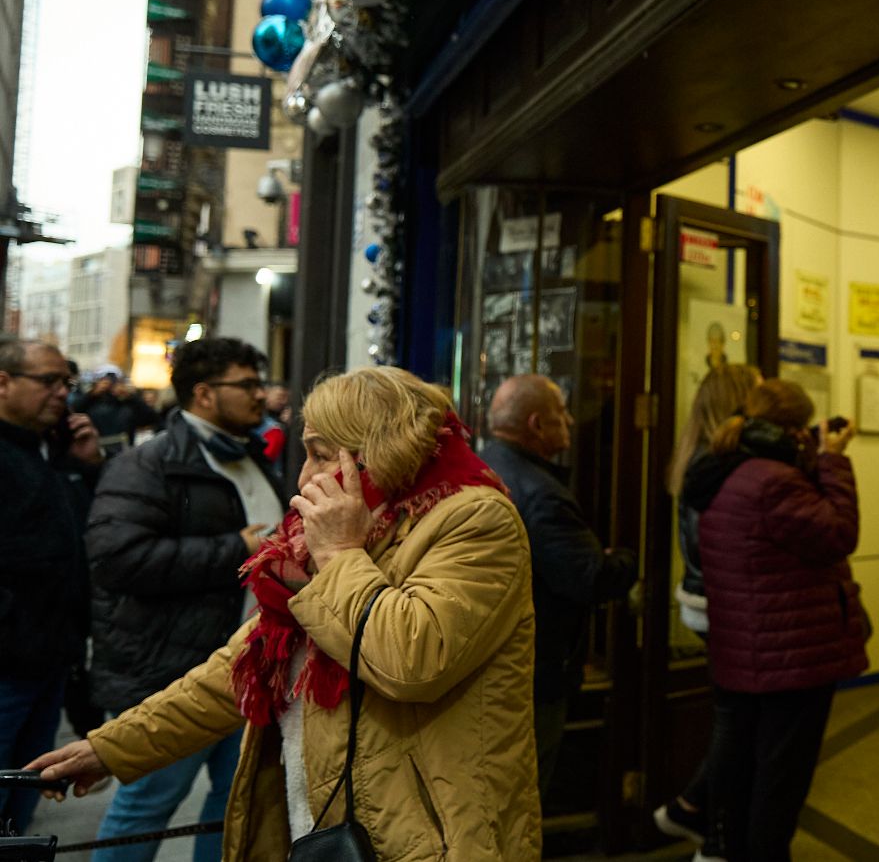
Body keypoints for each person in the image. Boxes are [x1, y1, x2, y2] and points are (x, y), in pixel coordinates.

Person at [29, 365, 542, 859]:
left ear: (377, 456)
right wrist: (111, 750)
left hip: (429, 839)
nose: (303, 477)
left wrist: (341, 556)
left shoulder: (475, 518)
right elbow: (240, 668)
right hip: (326, 826)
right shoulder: (351, 530)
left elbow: (410, 660)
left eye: (321, 456)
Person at [84, 338, 283, 862]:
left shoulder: (253, 458)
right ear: (204, 393)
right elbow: (117, 559)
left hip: (247, 667)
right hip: (170, 671)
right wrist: (233, 549)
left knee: (233, 805)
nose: (260, 396)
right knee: (146, 808)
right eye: (246, 385)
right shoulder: (149, 464)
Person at [684, 379, 868, 860]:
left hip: (749, 649)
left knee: (749, 773)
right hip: (791, 658)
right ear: (791, 428)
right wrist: (833, 460)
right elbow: (838, 533)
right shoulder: (773, 481)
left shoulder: (728, 470)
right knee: (779, 782)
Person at [481, 374, 635, 804]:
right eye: (561, 413)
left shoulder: (488, 462)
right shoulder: (541, 493)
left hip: (498, 664)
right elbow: (589, 578)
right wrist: (622, 561)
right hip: (535, 671)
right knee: (522, 798)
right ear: (536, 424)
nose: (569, 419)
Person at [653, 364, 763, 845]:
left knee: (738, 718)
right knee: (738, 722)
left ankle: (708, 822)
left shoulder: (697, 454)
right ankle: (700, 814)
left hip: (704, 601)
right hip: (723, 605)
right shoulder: (717, 464)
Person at [0, 337, 99, 834]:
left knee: (21, 810)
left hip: (50, 662)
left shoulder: (50, 452)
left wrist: (82, 466)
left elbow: (75, 544)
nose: (61, 392)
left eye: (66, 382)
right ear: (4, 382)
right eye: (47, 381)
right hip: (10, 663)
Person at [71, 367, 156, 459]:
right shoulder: (89, 404)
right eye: (103, 381)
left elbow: (152, 418)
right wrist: (92, 394)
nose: (109, 385)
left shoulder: (128, 405)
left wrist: (129, 396)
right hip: (95, 455)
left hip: (125, 456)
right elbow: (73, 412)